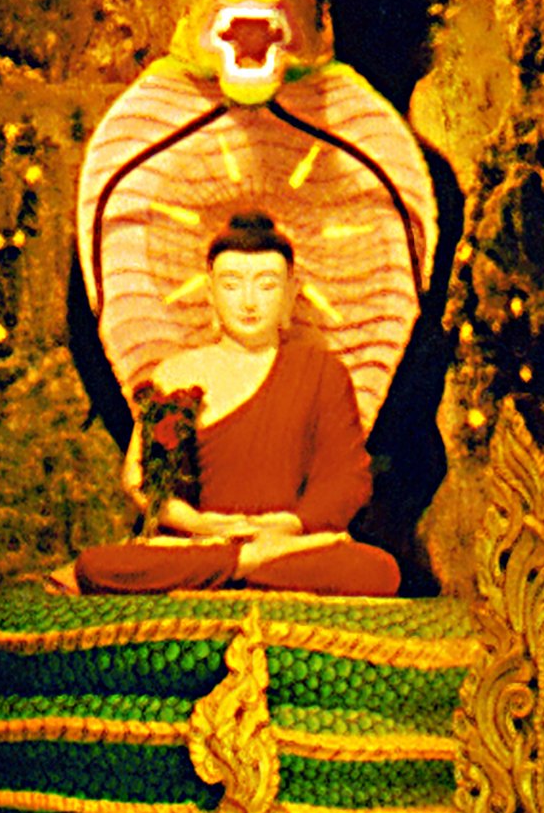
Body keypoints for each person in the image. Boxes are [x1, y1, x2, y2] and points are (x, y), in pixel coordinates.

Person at [72, 210, 401, 595]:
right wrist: (203, 526)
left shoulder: (321, 371)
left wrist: (289, 527)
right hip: (201, 541)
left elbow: (345, 479)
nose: (249, 302)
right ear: (209, 292)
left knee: (376, 571)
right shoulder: (178, 372)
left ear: (291, 293)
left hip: (288, 540)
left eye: (266, 285)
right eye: (231, 284)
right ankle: (247, 565)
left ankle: (227, 570)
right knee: (97, 566)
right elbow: (147, 480)